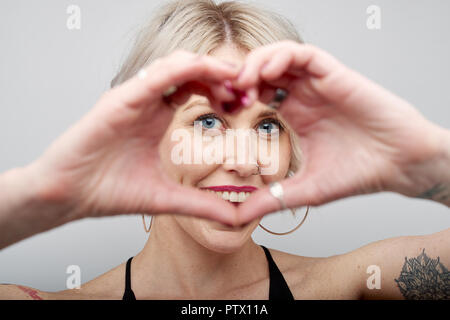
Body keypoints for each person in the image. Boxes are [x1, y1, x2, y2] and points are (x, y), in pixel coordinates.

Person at [0, 0, 449, 300]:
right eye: (208, 121)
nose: (243, 160)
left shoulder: (348, 285)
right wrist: (43, 196)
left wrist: (428, 165)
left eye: (269, 125)